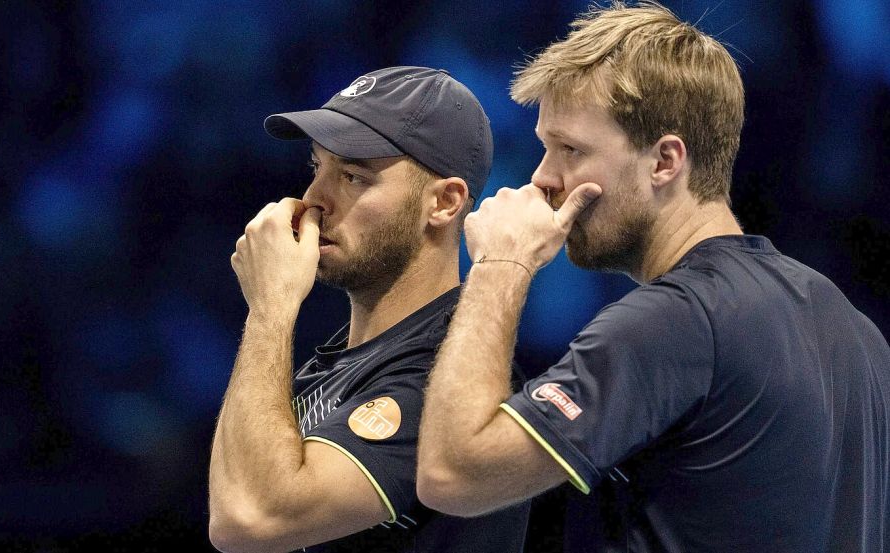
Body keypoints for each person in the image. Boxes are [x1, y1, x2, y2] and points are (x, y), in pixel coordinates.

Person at [415, 3, 890, 552]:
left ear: (665, 161)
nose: (543, 178)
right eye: (545, 146)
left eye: (570, 149)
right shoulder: (856, 333)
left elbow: (451, 474)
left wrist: (501, 266)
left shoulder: (678, 321)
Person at [208, 66, 530, 553]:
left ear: (444, 203)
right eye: (318, 168)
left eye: (354, 176)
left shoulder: (447, 377)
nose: (314, 200)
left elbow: (250, 517)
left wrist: (270, 308)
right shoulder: (344, 358)